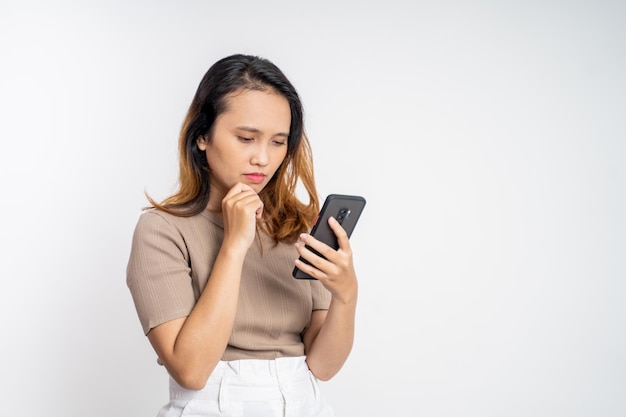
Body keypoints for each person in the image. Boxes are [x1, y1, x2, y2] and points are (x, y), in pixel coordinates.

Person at [126, 53, 359, 417]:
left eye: (278, 142)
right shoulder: (162, 230)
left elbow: (323, 367)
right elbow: (191, 369)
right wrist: (234, 246)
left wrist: (346, 295)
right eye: (246, 138)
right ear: (202, 135)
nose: (263, 158)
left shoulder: (297, 228)